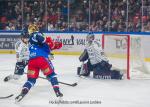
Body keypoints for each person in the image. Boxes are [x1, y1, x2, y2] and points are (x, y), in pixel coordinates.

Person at [15, 24, 63, 102]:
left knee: (31, 80)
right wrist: (49, 52)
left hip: (32, 61)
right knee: (52, 75)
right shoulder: (37, 34)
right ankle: (57, 91)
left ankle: (23, 92)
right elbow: (44, 42)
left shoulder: (29, 40)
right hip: (41, 59)